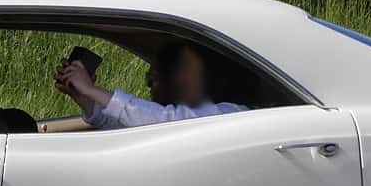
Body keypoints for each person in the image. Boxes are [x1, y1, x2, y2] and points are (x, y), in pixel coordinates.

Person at [54, 39, 251, 128]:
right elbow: (134, 128)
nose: (151, 84)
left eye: (158, 77)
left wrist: (91, 90)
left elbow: (167, 122)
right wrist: (86, 100)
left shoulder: (232, 116)